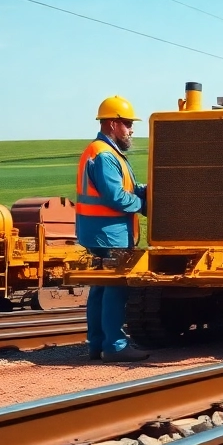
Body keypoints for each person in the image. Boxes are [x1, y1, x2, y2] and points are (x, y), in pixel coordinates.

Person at [76, 95, 150, 361]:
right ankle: (115, 346)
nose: (131, 129)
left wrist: (147, 190)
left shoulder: (102, 151)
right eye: (128, 123)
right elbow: (115, 197)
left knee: (100, 288)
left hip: (96, 231)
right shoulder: (106, 155)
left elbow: (125, 189)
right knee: (116, 287)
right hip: (110, 232)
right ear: (111, 124)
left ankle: (96, 344)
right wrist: (143, 204)